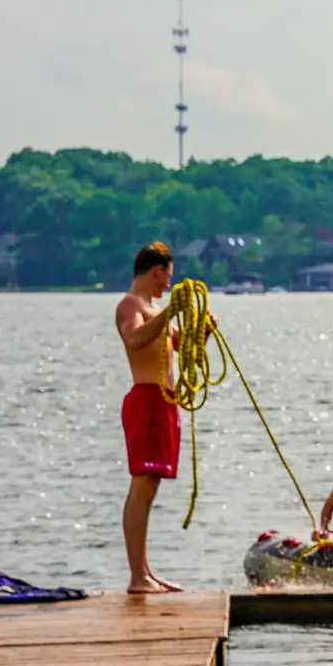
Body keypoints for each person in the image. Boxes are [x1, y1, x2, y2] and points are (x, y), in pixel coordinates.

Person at [114, 241, 189, 595]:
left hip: (166, 402)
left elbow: (182, 350)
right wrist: (170, 311)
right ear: (156, 270)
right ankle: (136, 577)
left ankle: (145, 572)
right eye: (167, 278)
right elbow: (134, 340)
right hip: (145, 400)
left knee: (151, 486)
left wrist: (203, 330)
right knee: (141, 486)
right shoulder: (131, 305)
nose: (168, 285)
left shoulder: (156, 308)